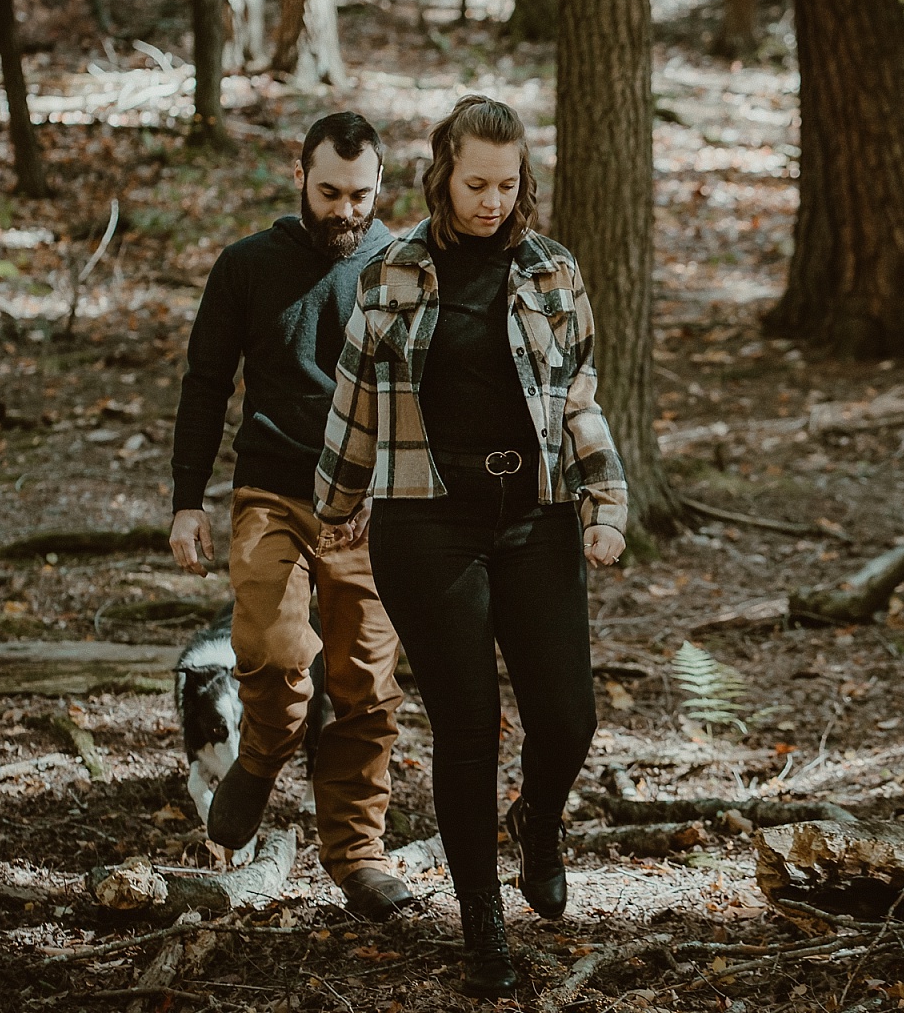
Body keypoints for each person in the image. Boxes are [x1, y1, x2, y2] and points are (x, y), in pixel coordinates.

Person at [316, 95, 628, 996]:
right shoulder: (394, 270)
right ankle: (482, 925)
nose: (494, 202)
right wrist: (334, 503)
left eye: (508, 184)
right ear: (443, 176)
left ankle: (539, 819)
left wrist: (604, 500)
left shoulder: (552, 271)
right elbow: (356, 394)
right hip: (427, 521)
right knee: (467, 727)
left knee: (567, 718)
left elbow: (578, 396)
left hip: (535, 516)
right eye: (477, 184)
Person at [167, 111, 414, 922]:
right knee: (273, 651)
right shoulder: (247, 266)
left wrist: (394, 493)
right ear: (299, 175)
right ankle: (264, 753)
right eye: (330, 192)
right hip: (272, 493)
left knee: (366, 686)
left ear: (381, 186)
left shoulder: (403, 269)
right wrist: (186, 500)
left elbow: (425, 395)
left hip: (368, 506)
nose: (345, 210)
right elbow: (206, 383)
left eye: (361, 196)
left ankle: (358, 853)